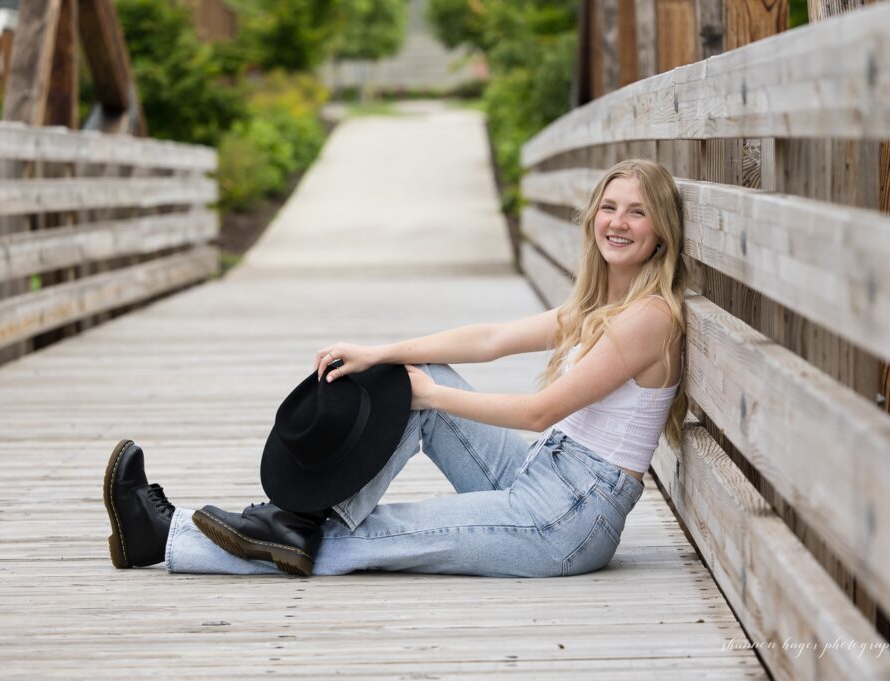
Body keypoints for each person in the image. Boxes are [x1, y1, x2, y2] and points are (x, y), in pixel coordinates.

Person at [103, 158, 689, 578]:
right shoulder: (598, 306)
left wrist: (429, 395)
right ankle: (301, 518)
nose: (618, 221)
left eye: (637, 213)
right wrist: (383, 353)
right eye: (609, 207)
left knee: (374, 536)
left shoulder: (648, 319)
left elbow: (539, 412)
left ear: (661, 230)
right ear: (591, 219)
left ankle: (168, 536)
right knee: (415, 368)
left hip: (564, 519)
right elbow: (490, 338)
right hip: (541, 476)